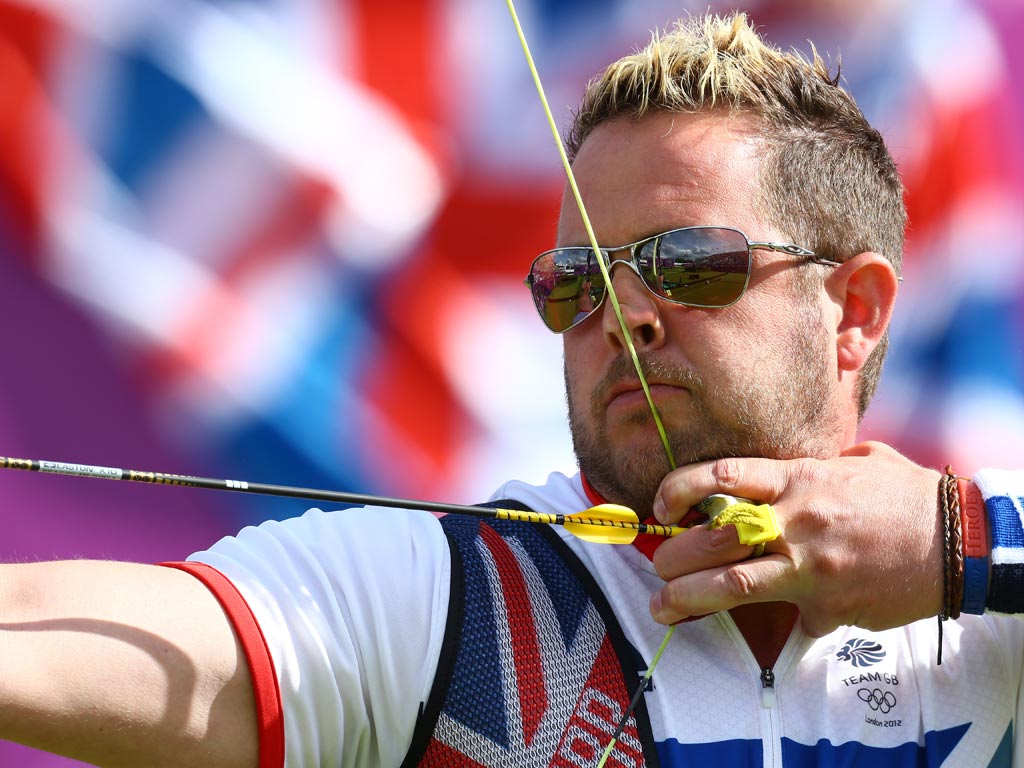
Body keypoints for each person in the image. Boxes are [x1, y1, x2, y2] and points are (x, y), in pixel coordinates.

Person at [2, 11, 1023, 768]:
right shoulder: (452, 596)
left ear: (855, 312)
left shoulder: (982, 614)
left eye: (687, 262)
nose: (623, 317)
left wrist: (960, 545)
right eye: (573, 284)